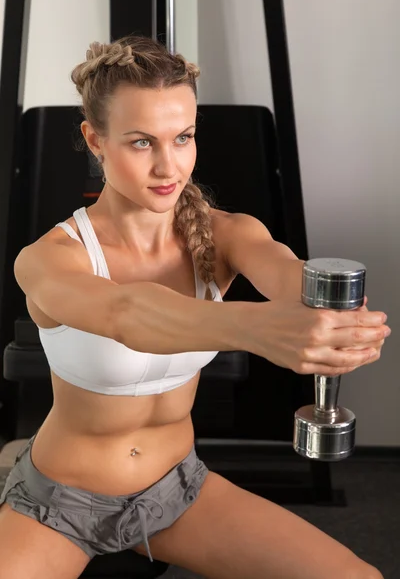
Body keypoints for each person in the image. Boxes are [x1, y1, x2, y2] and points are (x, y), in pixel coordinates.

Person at [0, 36, 389, 579]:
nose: (168, 166)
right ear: (95, 140)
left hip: (176, 491)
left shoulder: (229, 234)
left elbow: (284, 273)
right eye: (141, 143)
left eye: (183, 138)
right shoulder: (50, 258)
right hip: (60, 504)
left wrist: (332, 309)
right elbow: (127, 315)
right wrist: (256, 327)